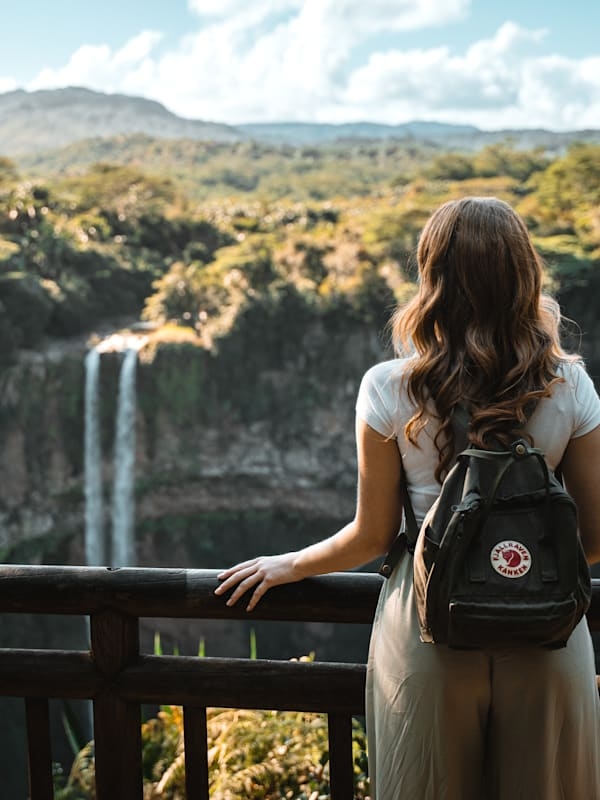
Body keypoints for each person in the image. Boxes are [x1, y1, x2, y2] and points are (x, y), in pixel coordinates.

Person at [214, 196, 600, 799]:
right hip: (546, 631)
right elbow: (594, 542)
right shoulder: (568, 383)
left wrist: (286, 564)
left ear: (432, 276)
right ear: (524, 272)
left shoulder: (390, 387)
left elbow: (371, 538)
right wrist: (516, 561)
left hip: (429, 626)